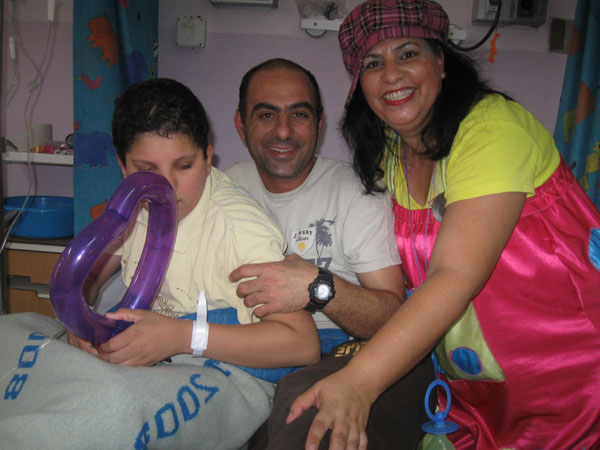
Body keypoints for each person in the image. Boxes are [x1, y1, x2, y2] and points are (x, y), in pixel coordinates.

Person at [286, 1, 600, 449]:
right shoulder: (391, 153)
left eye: (408, 53)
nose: (391, 74)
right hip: (477, 386)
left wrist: (359, 381)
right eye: (373, 63)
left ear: (441, 61)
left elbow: (453, 274)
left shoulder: (492, 128)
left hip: (567, 374)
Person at [0, 78, 319, 450]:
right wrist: (81, 323)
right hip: (155, 349)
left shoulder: (240, 231)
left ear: (208, 158)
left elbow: (302, 344)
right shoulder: (135, 204)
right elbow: (91, 274)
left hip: (229, 368)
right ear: (123, 166)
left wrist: (181, 336)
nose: (165, 186)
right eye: (147, 168)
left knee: (99, 415)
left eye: (183, 165)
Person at [226, 58, 434, 450]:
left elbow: (393, 316)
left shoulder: (355, 190)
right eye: (266, 114)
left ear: (320, 124)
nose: (283, 131)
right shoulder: (223, 190)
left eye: (299, 115)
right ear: (241, 124)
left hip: (344, 351)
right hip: (252, 352)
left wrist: (316, 285)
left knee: (309, 419)